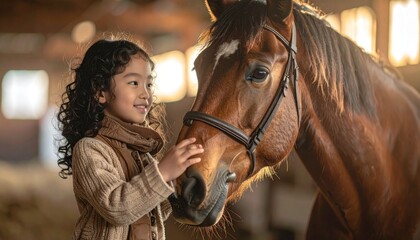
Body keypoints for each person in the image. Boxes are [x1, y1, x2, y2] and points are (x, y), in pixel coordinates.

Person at [56, 35, 204, 240]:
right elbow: (117, 209)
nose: (146, 94)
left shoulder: (140, 151)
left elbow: (155, 208)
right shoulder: (90, 149)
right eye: (134, 82)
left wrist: (179, 179)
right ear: (101, 92)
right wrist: (161, 173)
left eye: (149, 85)